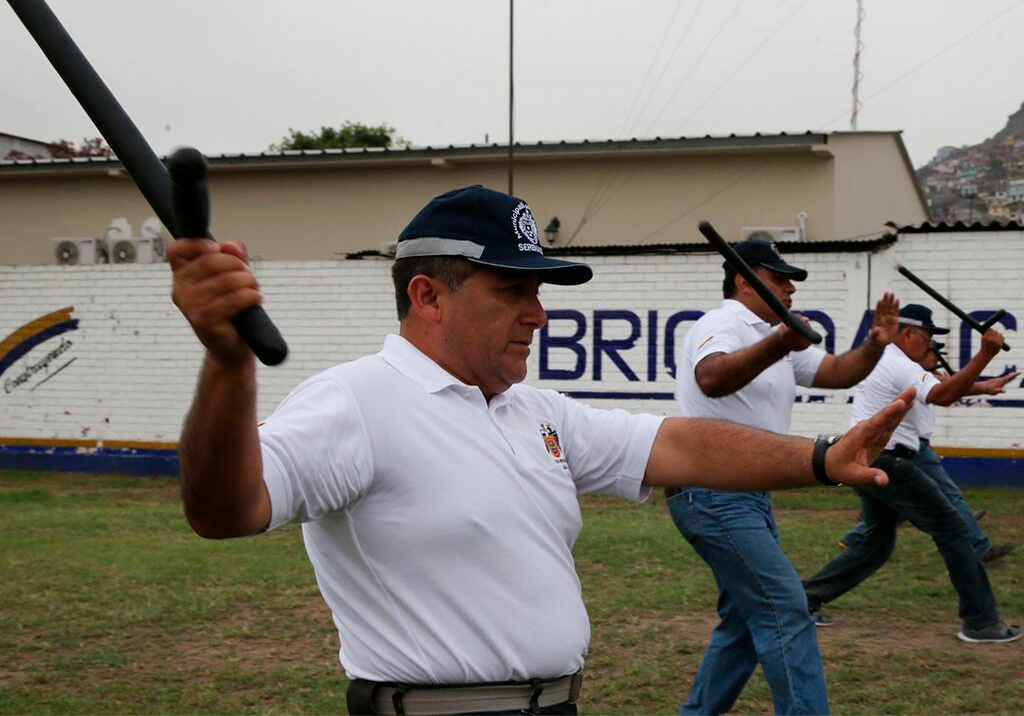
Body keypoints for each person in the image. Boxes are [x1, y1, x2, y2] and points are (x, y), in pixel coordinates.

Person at [168, 185, 914, 716]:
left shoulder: (531, 411)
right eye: (514, 290)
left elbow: (679, 444)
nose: (540, 313)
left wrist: (821, 457)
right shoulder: (355, 402)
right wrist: (228, 367)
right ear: (428, 296)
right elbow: (227, 510)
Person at [665, 239, 899, 716]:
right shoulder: (722, 323)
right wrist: (778, 342)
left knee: (743, 621)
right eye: (779, 279)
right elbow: (712, 377)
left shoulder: (776, 332)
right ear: (744, 281)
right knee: (785, 608)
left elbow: (835, 372)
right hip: (712, 493)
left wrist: (874, 345)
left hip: (746, 495)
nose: (790, 288)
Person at [803, 304, 1022, 644]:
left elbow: (937, 384)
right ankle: (980, 622)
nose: (931, 345)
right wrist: (985, 353)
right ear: (908, 333)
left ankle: (804, 600)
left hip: (871, 459)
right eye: (927, 337)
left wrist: (981, 385)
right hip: (891, 462)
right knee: (954, 530)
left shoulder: (890, 360)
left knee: (876, 544)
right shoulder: (897, 362)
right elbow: (944, 394)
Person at [837, 340, 1019, 563]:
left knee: (903, 507)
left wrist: (983, 386)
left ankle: (853, 538)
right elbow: (945, 390)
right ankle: (979, 548)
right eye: (930, 349)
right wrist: (983, 379)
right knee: (947, 496)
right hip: (908, 449)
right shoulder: (904, 370)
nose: (933, 355)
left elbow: (946, 384)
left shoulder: (906, 371)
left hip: (907, 446)